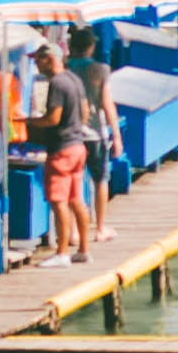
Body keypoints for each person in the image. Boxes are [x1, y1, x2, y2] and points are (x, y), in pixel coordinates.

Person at [25, 44, 91, 267]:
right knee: (76, 200)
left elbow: (53, 119)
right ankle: (83, 249)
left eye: (37, 60)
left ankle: (62, 253)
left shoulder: (57, 83)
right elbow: (85, 111)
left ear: (48, 59)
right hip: (78, 146)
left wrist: (27, 122)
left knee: (58, 201)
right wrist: (74, 128)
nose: (36, 65)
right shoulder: (74, 79)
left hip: (61, 149)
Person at [66, 27, 119, 243]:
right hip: (96, 133)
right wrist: (116, 135)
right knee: (100, 180)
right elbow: (107, 104)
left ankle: (73, 232)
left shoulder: (65, 69)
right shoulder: (101, 70)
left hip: (72, 134)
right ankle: (100, 228)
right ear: (91, 46)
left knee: (74, 182)